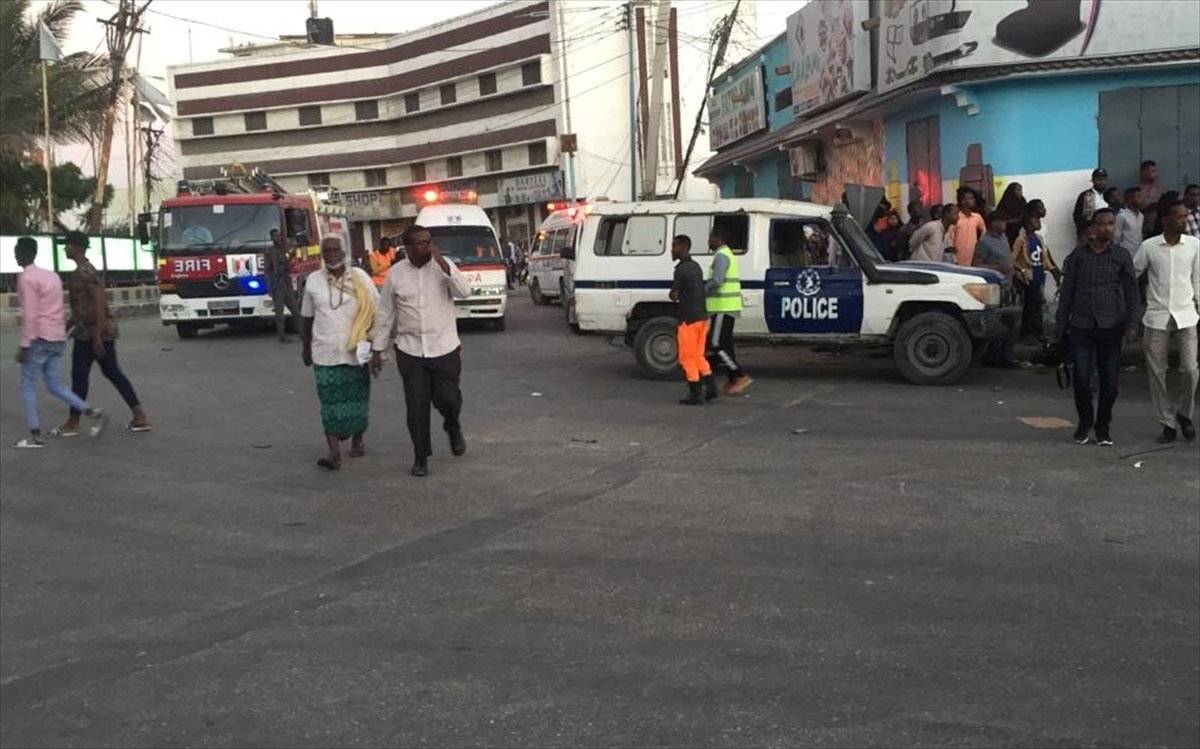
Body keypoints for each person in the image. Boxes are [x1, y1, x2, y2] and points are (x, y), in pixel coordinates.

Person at [371, 224, 473, 477]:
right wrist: (377, 350)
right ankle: (421, 457)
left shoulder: (443, 266)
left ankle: (452, 425)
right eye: (420, 243)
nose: (426, 246)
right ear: (408, 248)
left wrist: (444, 264)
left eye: (429, 241)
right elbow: (385, 314)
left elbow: (465, 291)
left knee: (449, 400)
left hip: (444, 348)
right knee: (416, 407)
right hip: (410, 351)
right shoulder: (396, 274)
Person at [1055, 209, 1140, 446]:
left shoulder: (1121, 255)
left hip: (1111, 325)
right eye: (1101, 224)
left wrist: (1133, 323)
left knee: (1109, 382)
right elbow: (1067, 292)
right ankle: (1084, 423)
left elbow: (1132, 291)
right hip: (1081, 325)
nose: (1106, 228)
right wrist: (1060, 326)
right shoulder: (1079, 256)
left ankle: (1103, 427)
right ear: (1093, 227)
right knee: (1082, 378)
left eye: (1111, 224)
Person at [12, 237, 107, 447]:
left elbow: (30, 314)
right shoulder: (52, 276)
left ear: (24, 253)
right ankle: (92, 412)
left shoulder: (26, 278)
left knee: (27, 385)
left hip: (40, 338)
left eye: (17, 251)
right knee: (54, 384)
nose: (15, 255)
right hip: (57, 337)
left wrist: (25, 345)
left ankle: (35, 436)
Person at [57, 231, 151, 436]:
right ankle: (139, 415)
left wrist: (98, 337)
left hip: (93, 334)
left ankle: (73, 422)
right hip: (88, 332)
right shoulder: (83, 271)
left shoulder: (86, 273)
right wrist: (66, 328)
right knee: (109, 373)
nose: (65, 249)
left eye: (67, 245)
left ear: (76, 247)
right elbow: (81, 307)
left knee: (83, 376)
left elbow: (100, 303)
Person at [300, 237, 378, 470]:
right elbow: (306, 317)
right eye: (327, 251)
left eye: (335, 250)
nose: (331, 254)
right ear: (322, 255)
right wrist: (305, 346)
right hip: (325, 352)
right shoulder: (313, 280)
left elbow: (377, 309)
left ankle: (357, 440)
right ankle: (333, 452)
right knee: (329, 402)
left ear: (344, 253)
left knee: (357, 399)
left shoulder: (360, 277)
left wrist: (376, 346)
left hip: (357, 351)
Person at [1134, 200, 1200, 444]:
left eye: (1185, 216)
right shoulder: (1149, 246)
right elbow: (1133, 273)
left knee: (1190, 369)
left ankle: (1184, 412)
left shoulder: (1194, 245)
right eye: (1179, 217)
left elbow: (1198, 280)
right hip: (1157, 315)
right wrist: (1135, 308)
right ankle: (1167, 422)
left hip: (1187, 314)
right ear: (1165, 220)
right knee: (1156, 371)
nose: (1184, 221)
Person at [669, 235, 717, 405]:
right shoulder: (696, 266)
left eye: (674, 246)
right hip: (702, 317)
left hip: (688, 319)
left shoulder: (681, 269)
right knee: (698, 355)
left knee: (687, 357)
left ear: (683, 248)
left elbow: (674, 295)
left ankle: (695, 393)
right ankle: (711, 387)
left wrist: (673, 294)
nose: (672, 250)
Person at [704, 227, 752, 396]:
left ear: (718, 239)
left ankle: (739, 375)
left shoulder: (721, 256)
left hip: (722, 307)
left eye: (710, 238)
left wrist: (701, 290)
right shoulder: (726, 254)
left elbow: (717, 281)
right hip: (726, 307)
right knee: (725, 345)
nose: (708, 241)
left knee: (716, 344)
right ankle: (732, 379)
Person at [973, 211, 1020, 367]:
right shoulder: (984, 242)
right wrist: (997, 267)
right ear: (993, 223)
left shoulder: (1004, 238)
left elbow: (1008, 258)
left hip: (1008, 285)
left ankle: (1004, 355)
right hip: (995, 288)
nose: (1004, 225)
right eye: (1002, 221)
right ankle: (995, 356)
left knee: (1010, 323)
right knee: (1001, 323)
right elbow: (976, 265)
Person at [1011, 207, 1062, 339]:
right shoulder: (1021, 240)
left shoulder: (1039, 238)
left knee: (1037, 304)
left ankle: (1037, 332)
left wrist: (1054, 270)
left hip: (1039, 275)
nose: (1039, 222)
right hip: (1028, 277)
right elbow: (1013, 259)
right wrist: (1022, 270)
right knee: (1032, 304)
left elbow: (1044, 259)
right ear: (1028, 223)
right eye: (1036, 220)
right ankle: (1029, 332)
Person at [264, 229, 300, 343]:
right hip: (277, 284)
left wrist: (292, 255)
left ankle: (303, 333)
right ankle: (282, 336)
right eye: (275, 236)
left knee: (295, 310)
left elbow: (287, 265)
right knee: (279, 313)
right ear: (271, 238)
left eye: (279, 235)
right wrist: (269, 287)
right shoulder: (269, 252)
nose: (277, 237)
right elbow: (267, 271)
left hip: (286, 282)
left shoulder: (284, 249)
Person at [951, 187, 986, 267]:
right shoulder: (956, 218)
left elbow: (984, 230)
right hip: (957, 259)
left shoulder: (977, 217)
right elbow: (950, 239)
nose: (974, 200)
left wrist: (980, 244)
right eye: (971, 198)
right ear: (963, 201)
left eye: (973, 198)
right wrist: (953, 258)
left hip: (973, 257)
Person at [1072, 168, 1109, 239]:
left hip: (1106, 232)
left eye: (1104, 179)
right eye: (1099, 180)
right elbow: (1077, 216)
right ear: (1093, 181)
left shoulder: (1108, 195)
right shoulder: (1086, 195)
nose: (1102, 182)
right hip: (1091, 234)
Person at [1114, 187, 1145, 260]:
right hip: (1125, 254)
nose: (1142, 200)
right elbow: (1116, 237)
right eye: (1139, 197)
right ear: (1130, 199)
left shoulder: (1141, 216)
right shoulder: (1121, 216)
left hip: (1138, 254)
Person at [1138, 160, 1164, 239]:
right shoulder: (1137, 190)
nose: (1155, 174)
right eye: (1153, 171)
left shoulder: (1159, 188)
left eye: (1156, 171)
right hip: (1144, 228)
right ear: (1144, 172)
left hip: (1159, 227)